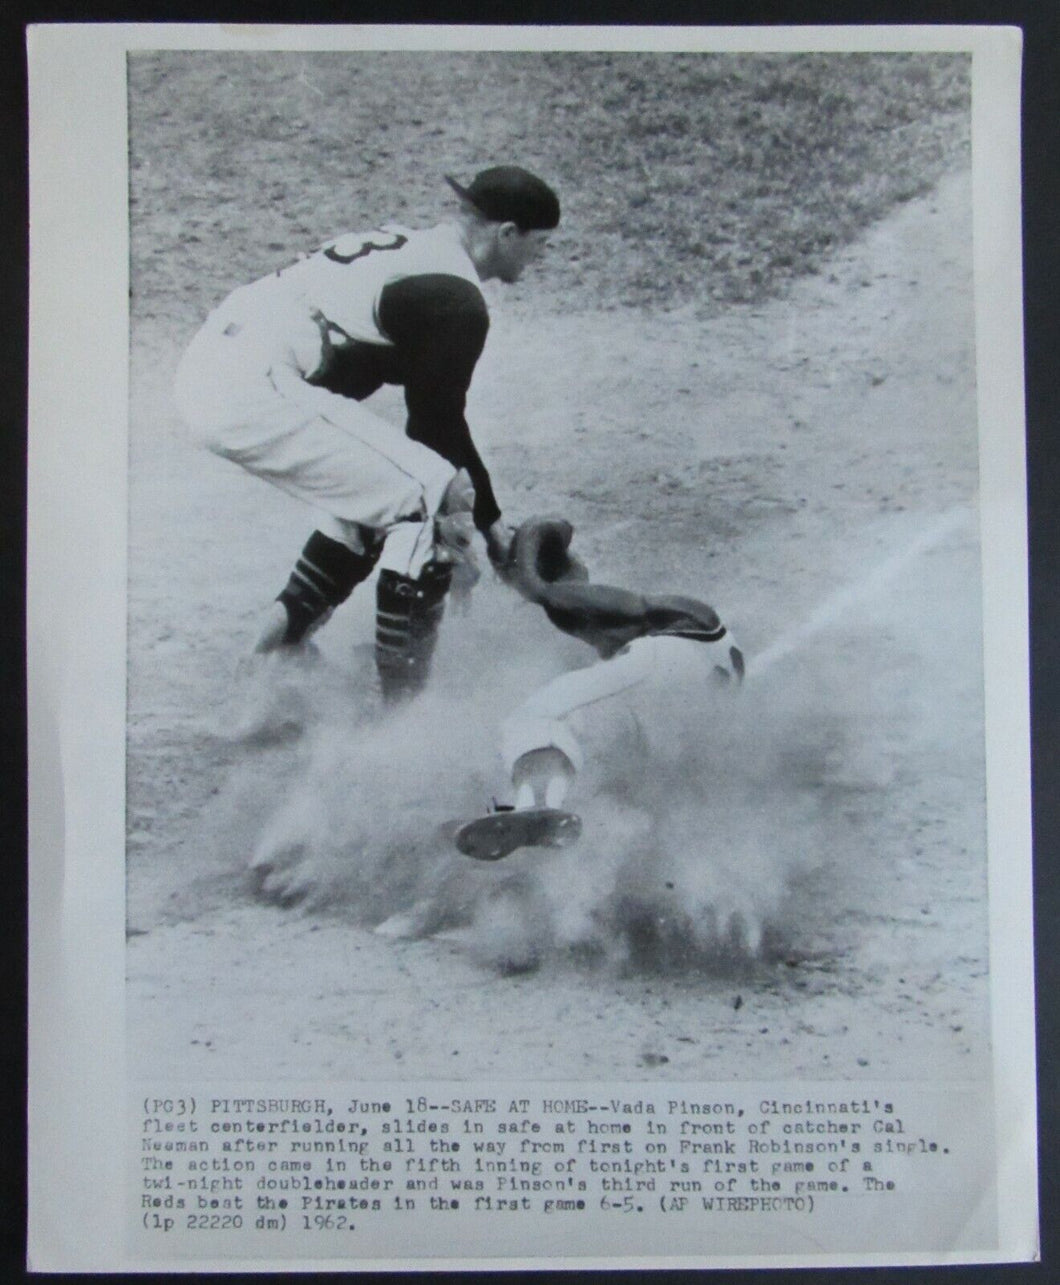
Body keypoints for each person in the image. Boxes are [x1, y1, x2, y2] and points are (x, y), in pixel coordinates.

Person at [174, 165, 560, 699]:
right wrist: (486, 527)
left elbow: (427, 426)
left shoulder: (412, 249)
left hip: (221, 360)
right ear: (507, 233)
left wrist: (483, 520)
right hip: (250, 384)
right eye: (540, 244)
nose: (541, 258)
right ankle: (403, 718)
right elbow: (436, 424)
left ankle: (274, 646)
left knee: (389, 488)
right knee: (429, 499)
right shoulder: (458, 301)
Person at [496, 516, 745, 820]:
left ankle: (535, 805)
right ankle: (549, 813)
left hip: (672, 658)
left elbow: (544, 542)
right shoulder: (576, 604)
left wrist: (523, 554)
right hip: (711, 698)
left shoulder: (567, 600)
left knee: (534, 716)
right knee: (603, 734)